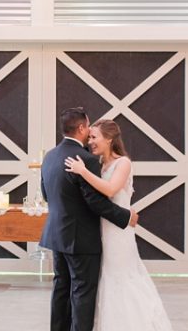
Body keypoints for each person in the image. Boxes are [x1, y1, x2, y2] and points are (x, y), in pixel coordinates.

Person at [65, 119, 173, 331]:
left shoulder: (123, 163)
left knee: (120, 277)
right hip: (100, 231)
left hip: (118, 234)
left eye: (94, 137)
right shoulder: (98, 164)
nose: (90, 141)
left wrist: (82, 171)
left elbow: (111, 189)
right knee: (104, 278)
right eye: (89, 137)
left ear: (109, 139)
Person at [40, 108, 139, 331]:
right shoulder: (85, 159)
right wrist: (126, 216)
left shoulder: (50, 156)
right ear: (82, 127)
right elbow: (95, 202)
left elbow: (46, 195)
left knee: (61, 288)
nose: (91, 138)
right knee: (82, 293)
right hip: (81, 239)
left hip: (57, 235)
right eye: (89, 130)